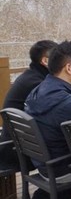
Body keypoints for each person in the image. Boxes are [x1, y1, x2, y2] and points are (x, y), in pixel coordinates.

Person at [24, 41, 71, 199]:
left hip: (43, 164)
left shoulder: (39, 89)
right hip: (62, 169)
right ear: (69, 68)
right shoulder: (66, 104)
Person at [0, 40, 57, 173]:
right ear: (45, 61)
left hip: (16, 145)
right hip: (19, 152)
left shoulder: (31, 76)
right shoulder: (39, 84)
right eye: (58, 58)